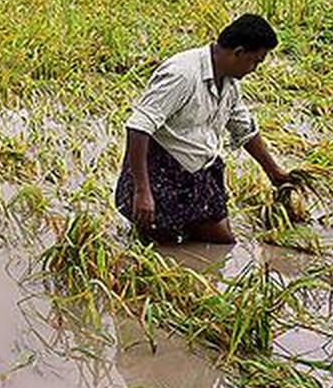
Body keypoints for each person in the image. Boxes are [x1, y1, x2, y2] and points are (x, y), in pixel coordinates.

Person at [115, 14, 295, 244]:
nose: (255, 69)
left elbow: (243, 129)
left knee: (222, 242)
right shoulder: (182, 74)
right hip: (159, 174)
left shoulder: (230, 83)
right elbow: (138, 127)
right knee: (166, 245)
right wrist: (142, 192)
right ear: (238, 52)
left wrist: (274, 172)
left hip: (200, 171)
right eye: (255, 61)